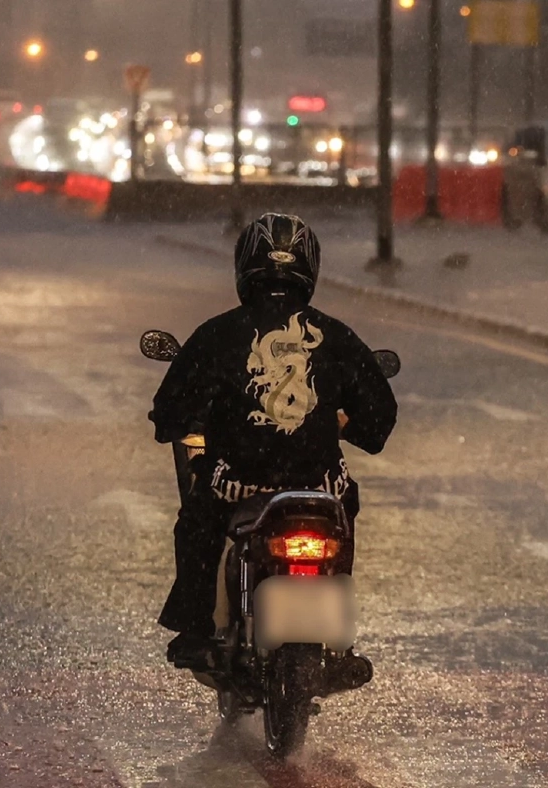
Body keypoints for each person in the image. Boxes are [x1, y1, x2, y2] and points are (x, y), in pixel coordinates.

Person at [148, 213, 398, 672]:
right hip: (320, 486)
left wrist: (179, 422)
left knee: (198, 523)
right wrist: (345, 426)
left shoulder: (218, 334)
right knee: (344, 515)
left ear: (245, 265)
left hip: (238, 485)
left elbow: (170, 413)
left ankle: (196, 629)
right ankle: (340, 641)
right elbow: (379, 418)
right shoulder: (336, 336)